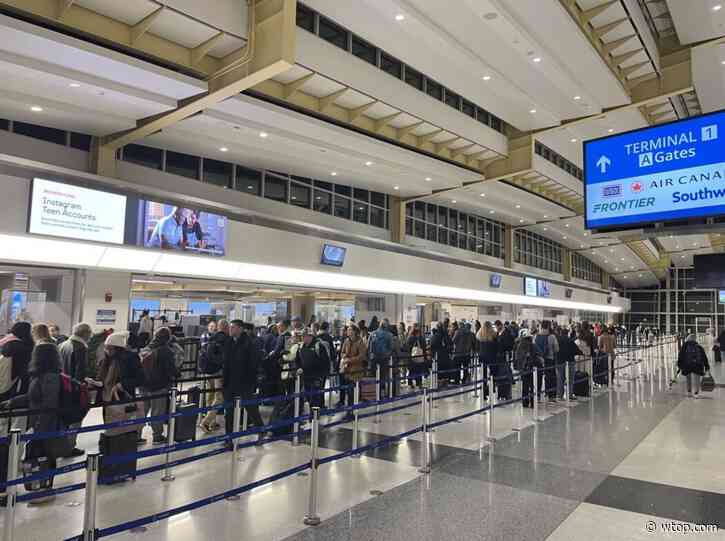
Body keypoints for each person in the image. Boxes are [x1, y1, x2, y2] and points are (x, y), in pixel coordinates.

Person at [2, 340, 68, 497]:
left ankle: (43, 489)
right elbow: (32, 397)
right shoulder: (40, 376)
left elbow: (49, 406)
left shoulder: (50, 377)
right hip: (40, 424)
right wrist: (12, 402)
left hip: (45, 426)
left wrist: (39, 430)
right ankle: (39, 487)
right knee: (38, 458)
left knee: (43, 457)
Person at [99, 332, 146, 443]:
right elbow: (102, 377)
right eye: (106, 347)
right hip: (108, 399)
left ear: (117, 347)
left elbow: (141, 379)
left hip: (123, 399)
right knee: (110, 426)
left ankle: (123, 445)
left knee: (123, 429)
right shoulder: (106, 359)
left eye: (109, 348)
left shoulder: (130, 358)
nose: (106, 350)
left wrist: (122, 384)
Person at [222, 320, 264, 445]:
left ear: (240, 329)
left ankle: (261, 430)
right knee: (228, 411)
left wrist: (250, 380)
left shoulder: (249, 343)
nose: (231, 330)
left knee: (250, 407)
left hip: (245, 382)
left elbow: (254, 363)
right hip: (230, 382)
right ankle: (229, 437)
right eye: (230, 327)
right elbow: (226, 363)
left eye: (233, 327)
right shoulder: (229, 342)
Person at [140, 327, 180, 444]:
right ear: (167, 338)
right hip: (159, 386)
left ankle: (136, 435)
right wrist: (177, 373)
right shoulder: (165, 350)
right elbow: (171, 369)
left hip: (143, 385)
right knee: (157, 411)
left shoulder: (146, 349)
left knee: (142, 411)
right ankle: (157, 436)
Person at [58, 322, 92, 457]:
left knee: (65, 420)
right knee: (75, 420)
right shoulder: (81, 348)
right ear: (85, 334)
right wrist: (83, 385)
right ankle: (69, 448)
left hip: (63, 386)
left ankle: (62, 446)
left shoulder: (63, 344)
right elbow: (80, 372)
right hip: (74, 389)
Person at [200, 319, 228, 432]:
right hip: (218, 371)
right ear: (226, 327)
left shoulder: (211, 337)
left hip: (208, 370)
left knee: (210, 396)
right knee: (219, 397)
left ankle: (212, 422)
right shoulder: (225, 339)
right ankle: (206, 422)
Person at [296, 327, 329, 411]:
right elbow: (297, 360)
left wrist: (323, 375)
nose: (303, 338)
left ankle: (314, 419)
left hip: (316, 377)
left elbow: (325, 361)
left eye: (305, 336)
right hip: (306, 377)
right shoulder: (301, 347)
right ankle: (312, 416)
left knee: (315, 400)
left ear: (310, 336)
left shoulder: (319, 346)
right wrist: (299, 367)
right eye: (302, 336)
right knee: (308, 398)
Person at [0, 322, 34, 403]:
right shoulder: (23, 346)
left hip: (4, 376)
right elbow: (25, 365)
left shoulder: (5, 341)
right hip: (16, 379)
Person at [514, 329, 542, 408]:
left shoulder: (519, 345)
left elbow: (516, 358)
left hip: (523, 369)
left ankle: (525, 403)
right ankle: (533, 403)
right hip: (532, 368)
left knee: (525, 386)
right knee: (533, 386)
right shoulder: (532, 345)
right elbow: (540, 353)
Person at [534, 321, 559, 402]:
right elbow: (556, 349)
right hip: (549, 359)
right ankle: (551, 395)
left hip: (539, 360)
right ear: (548, 326)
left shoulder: (536, 336)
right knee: (551, 377)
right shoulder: (552, 337)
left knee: (538, 378)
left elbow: (534, 348)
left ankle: (537, 396)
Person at [557, 327, 583, 400]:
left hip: (560, 361)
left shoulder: (558, 340)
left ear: (561, 333)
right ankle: (570, 395)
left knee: (560, 379)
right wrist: (580, 352)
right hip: (570, 361)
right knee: (570, 379)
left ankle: (559, 395)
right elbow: (577, 351)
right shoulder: (570, 341)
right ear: (567, 333)